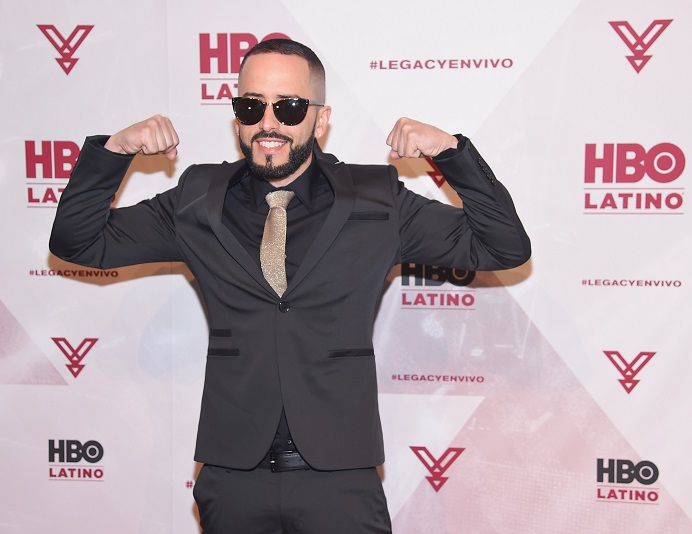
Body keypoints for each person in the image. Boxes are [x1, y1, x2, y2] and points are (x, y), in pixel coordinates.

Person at [50, 38, 530, 534]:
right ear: (237, 118)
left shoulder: (377, 199)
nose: (268, 123)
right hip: (233, 478)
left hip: (340, 479)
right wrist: (114, 152)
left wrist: (452, 154)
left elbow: (502, 248)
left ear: (320, 120)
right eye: (251, 106)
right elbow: (78, 242)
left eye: (290, 107)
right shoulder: (197, 198)